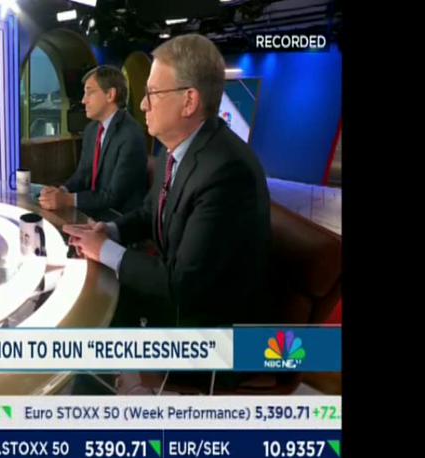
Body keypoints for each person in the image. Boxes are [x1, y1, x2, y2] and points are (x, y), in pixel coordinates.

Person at [63, 34, 271, 329]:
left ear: (189, 101)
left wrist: (104, 250)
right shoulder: (174, 148)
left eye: (152, 93)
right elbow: (150, 212)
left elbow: (181, 284)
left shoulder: (228, 172)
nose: (143, 105)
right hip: (172, 299)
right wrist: (109, 230)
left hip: (207, 330)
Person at [39, 65, 147, 216]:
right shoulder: (92, 129)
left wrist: (67, 200)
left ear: (110, 95)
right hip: (93, 210)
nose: (83, 100)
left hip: (119, 219)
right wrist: (61, 191)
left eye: (89, 92)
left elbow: (114, 197)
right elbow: (82, 175)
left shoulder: (131, 135)